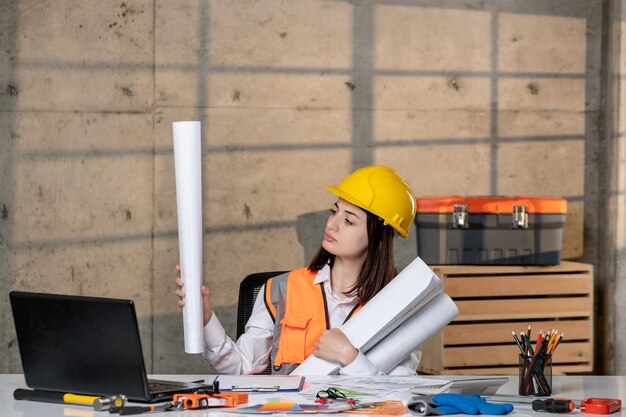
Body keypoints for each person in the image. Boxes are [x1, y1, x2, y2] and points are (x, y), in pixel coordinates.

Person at [176, 165, 421, 375]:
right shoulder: (282, 289)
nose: (332, 224)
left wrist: (350, 357)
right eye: (334, 211)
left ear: (378, 237)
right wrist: (206, 318)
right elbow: (242, 366)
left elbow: (400, 392)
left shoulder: (398, 304)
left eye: (348, 220)